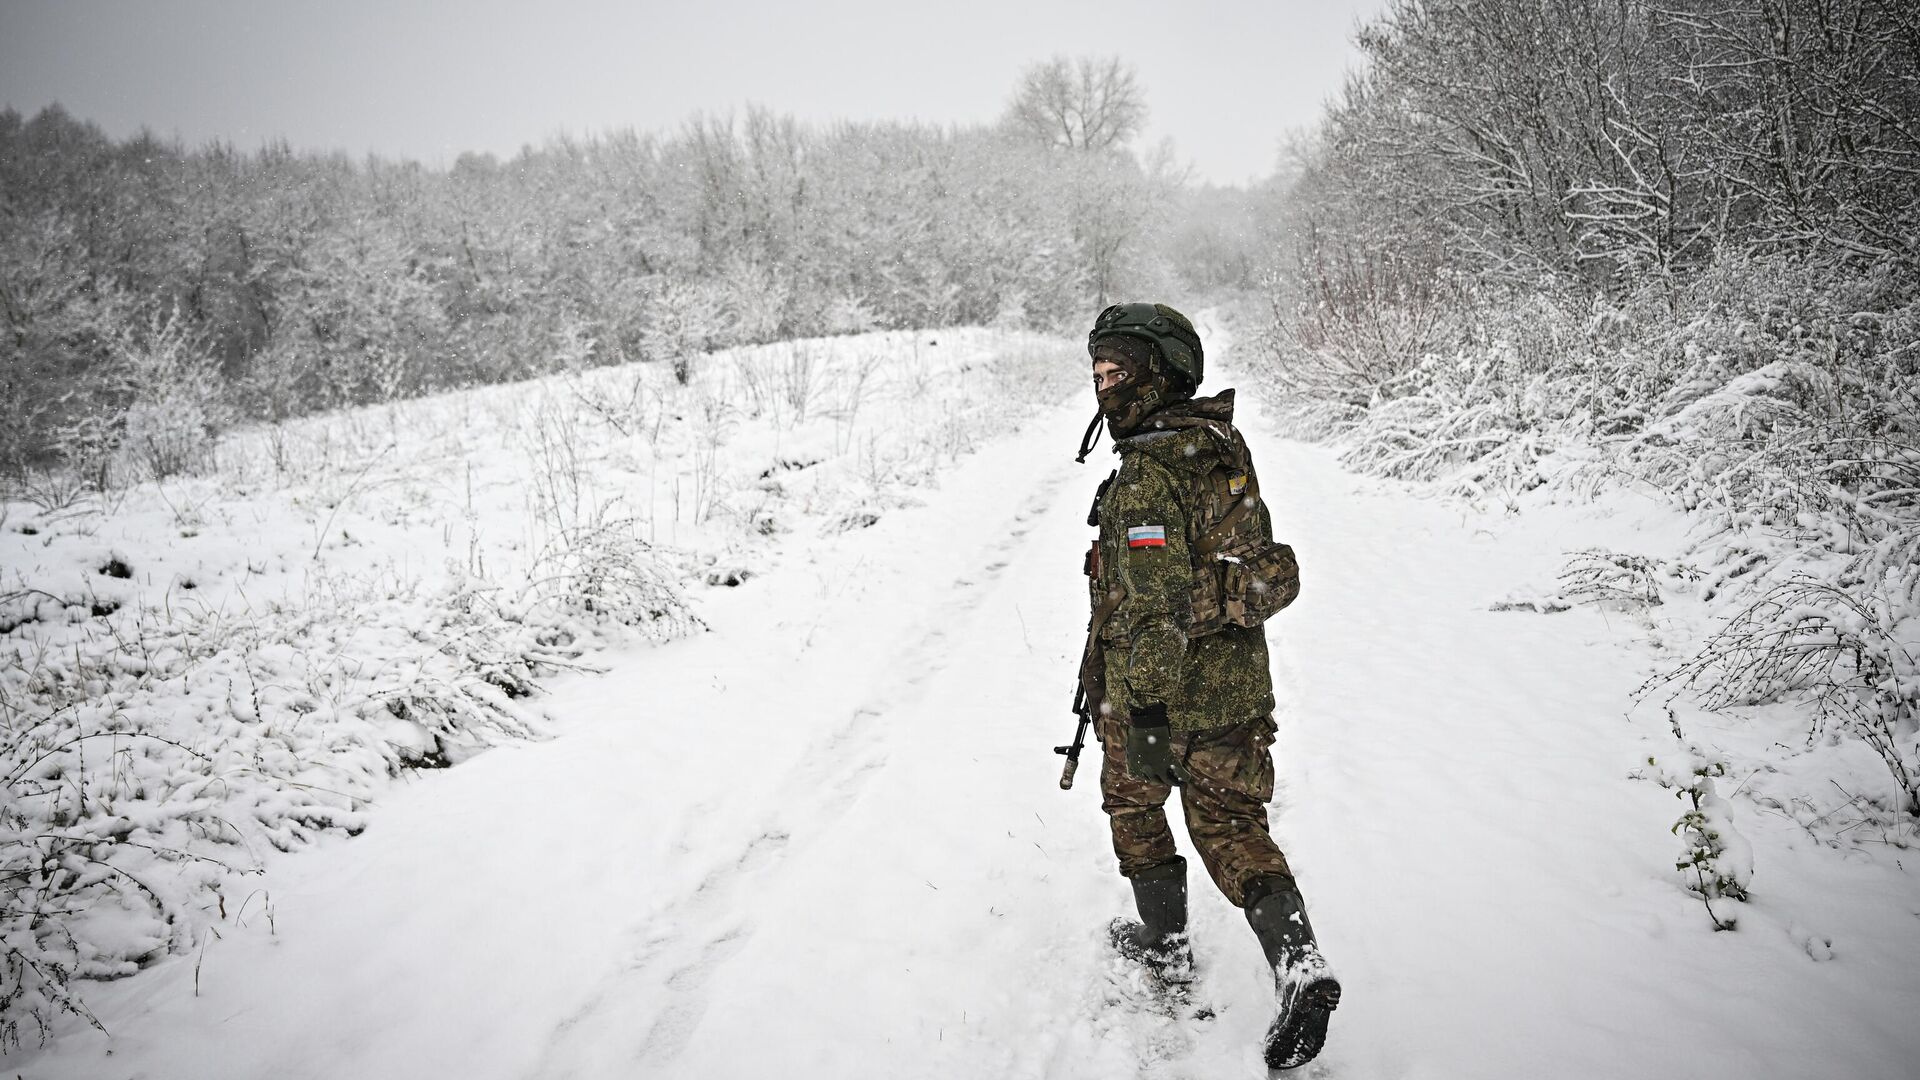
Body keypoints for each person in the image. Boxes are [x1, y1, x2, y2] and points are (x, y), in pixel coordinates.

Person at [1075, 302, 1339, 1071]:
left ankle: (1162, 946)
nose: (1103, 387)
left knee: (1132, 803)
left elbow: (1153, 609)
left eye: (1116, 371)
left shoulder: (1147, 478)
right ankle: (1300, 965)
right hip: (1236, 695)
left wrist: (1146, 708)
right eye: (1096, 372)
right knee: (1232, 829)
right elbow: (1255, 561)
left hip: (1158, 698)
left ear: (1160, 372)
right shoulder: (1219, 444)